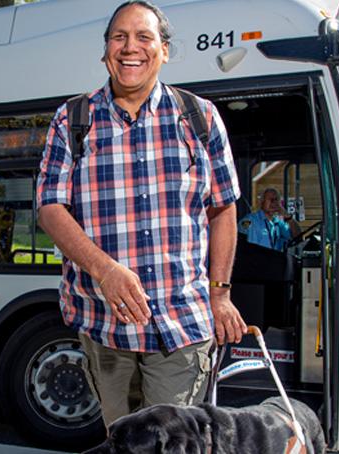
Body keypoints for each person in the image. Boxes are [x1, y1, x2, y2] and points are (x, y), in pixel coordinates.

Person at [36, 0, 246, 429]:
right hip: (103, 324)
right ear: (105, 52)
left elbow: (223, 207)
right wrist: (105, 270)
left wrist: (220, 294)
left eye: (144, 37)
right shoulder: (73, 119)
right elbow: (49, 208)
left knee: (174, 443)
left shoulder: (199, 118)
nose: (131, 47)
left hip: (182, 326)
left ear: (164, 50)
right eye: (119, 37)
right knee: (125, 439)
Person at [238, 188, 301, 252]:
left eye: (276, 199)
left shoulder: (279, 223)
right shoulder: (252, 220)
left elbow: (298, 237)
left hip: (274, 260)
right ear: (262, 202)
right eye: (270, 199)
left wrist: (288, 217)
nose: (273, 202)